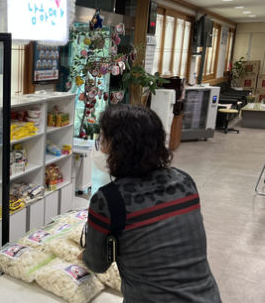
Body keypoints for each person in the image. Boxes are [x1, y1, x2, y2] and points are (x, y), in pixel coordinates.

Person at [81, 105, 221, 302]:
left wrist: (85, 252)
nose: (100, 147)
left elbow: (97, 264)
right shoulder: (185, 182)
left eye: (103, 140)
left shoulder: (109, 200)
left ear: (119, 148)